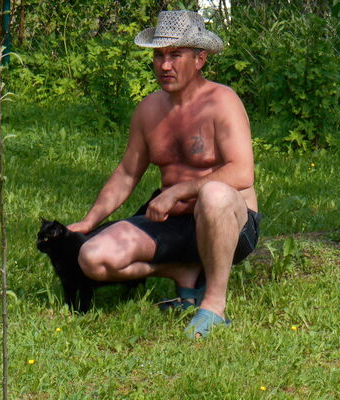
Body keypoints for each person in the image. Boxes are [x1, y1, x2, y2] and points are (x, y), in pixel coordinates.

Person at [67, 10, 260, 338]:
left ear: (200, 59)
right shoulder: (149, 110)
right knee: (92, 257)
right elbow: (127, 174)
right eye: (159, 56)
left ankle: (213, 306)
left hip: (230, 223)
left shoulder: (222, 101)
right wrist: (89, 221)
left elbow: (242, 173)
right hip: (172, 223)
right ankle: (182, 270)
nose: (165, 65)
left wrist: (178, 191)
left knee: (213, 194)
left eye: (175, 55)